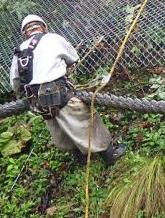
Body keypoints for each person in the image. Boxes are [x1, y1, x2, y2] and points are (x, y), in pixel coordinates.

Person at [10, 14, 125, 165]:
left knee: (59, 128)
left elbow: (15, 82)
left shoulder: (19, 51)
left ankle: (79, 157)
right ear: (43, 27)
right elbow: (73, 58)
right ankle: (109, 154)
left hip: (38, 102)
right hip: (58, 92)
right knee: (84, 119)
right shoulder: (53, 38)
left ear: (25, 33)